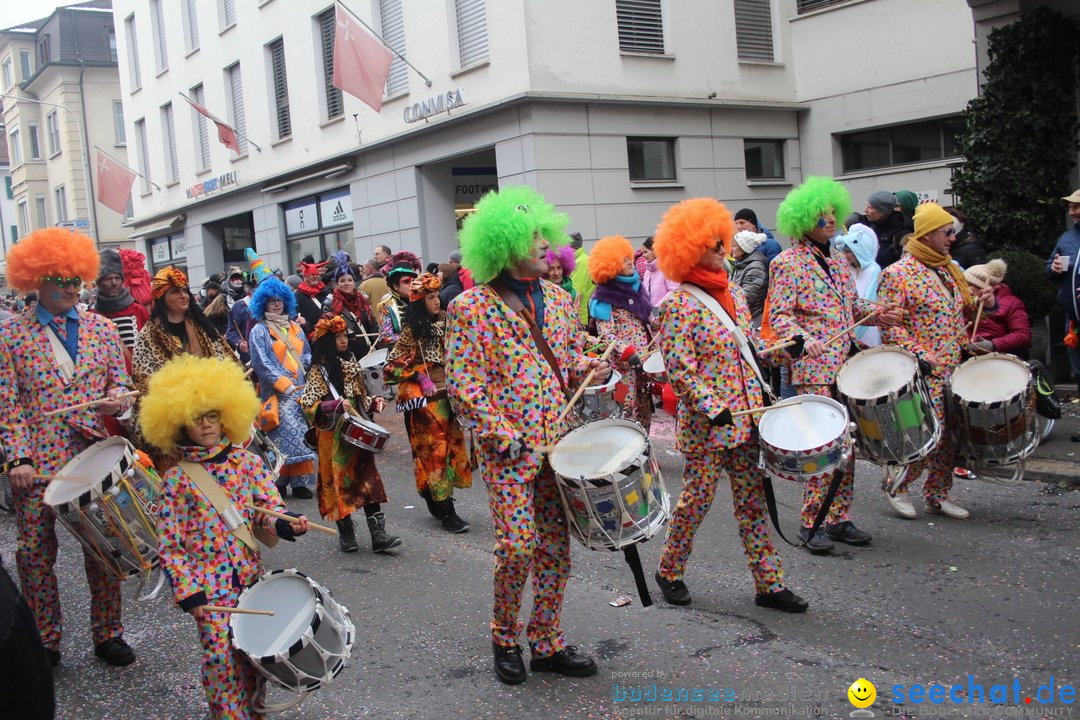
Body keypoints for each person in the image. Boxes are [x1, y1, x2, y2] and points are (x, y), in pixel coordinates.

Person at [447, 185, 604, 685]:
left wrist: (596, 364)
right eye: (532, 237)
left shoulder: (560, 298)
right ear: (505, 245)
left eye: (544, 235)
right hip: (509, 452)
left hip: (559, 445)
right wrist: (503, 435)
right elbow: (463, 385)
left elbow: (568, 357)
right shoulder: (470, 307)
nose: (544, 245)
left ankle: (547, 640)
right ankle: (504, 637)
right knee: (518, 546)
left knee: (557, 547)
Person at [651, 198, 806, 613]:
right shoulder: (676, 306)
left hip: (747, 419)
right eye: (714, 244)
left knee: (752, 502)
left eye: (723, 242)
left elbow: (752, 353)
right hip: (709, 426)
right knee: (696, 501)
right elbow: (680, 370)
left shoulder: (734, 291)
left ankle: (769, 584)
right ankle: (669, 570)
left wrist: (784, 351)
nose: (724, 249)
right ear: (687, 251)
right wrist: (710, 404)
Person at [140, 355, 309, 720]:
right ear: (178, 421)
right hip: (209, 589)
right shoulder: (177, 480)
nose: (206, 425)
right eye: (197, 417)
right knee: (220, 663)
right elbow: (169, 545)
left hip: (250, 580)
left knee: (253, 660)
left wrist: (286, 523)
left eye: (213, 415)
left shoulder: (247, 463)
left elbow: (267, 507)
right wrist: (189, 591)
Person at [0, 228, 136, 667]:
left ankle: (108, 633)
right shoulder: (10, 335)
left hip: (92, 455)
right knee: (36, 554)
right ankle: (45, 640)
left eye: (76, 280)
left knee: (104, 546)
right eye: (60, 280)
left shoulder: (101, 328)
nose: (71, 289)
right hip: (36, 462)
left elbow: (121, 380)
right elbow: (7, 403)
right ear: (36, 280)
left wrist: (119, 397)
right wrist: (16, 456)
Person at [768, 176, 900, 554]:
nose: (829, 219)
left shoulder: (839, 262)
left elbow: (851, 308)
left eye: (831, 213)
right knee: (823, 449)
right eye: (820, 214)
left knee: (847, 448)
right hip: (812, 370)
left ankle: (839, 516)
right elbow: (780, 315)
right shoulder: (787, 263)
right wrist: (802, 340)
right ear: (802, 220)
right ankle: (812, 523)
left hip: (844, 366)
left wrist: (879, 314)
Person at [876, 203, 995, 520]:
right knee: (926, 434)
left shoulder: (949, 269)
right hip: (921, 371)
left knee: (951, 436)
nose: (952, 238)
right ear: (927, 235)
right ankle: (896, 484)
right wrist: (919, 353)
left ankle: (937, 494)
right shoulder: (897, 274)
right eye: (946, 232)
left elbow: (961, 312)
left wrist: (984, 302)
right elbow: (890, 326)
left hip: (954, 367)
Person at [300, 316, 400, 553]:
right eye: (338, 337)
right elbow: (306, 404)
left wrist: (373, 403)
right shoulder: (319, 370)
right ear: (328, 341)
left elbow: (360, 395)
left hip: (356, 430)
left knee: (369, 481)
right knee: (338, 484)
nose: (344, 341)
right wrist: (332, 407)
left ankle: (379, 535)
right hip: (332, 437)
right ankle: (346, 533)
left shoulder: (352, 361)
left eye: (345, 336)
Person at [384, 273, 472, 533]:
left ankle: (431, 493)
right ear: (420, 301)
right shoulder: (412, 331)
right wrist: (420, 374)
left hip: (449, 400)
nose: (437, 301)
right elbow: (392, 367)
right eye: (431, 297)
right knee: (434, 454)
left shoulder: (448, 322)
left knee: (453, 451)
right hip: (424, 406)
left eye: (437, 296)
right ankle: (447, 511)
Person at [131, 266, 239, 470]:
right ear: (162, 298)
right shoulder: (148, 336)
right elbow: (145, 382)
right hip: (177, 423)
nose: (183, 295)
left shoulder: (201, 326)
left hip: (212, 412)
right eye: (174, 291)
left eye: (184, 290)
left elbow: (226, 360)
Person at [248, 277, 318, 499]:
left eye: (280, 301)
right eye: (271, 301)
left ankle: (300, 483)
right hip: (279, 394)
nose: (277, 305)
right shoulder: (259, 331)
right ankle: (278, 482)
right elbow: (261, 362)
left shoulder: (295, 327)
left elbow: (306, 352)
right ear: (263, 304)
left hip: (301, 389)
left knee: (304, 437)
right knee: (282, 438)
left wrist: (305, 371)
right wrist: (284, 384)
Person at [587, 235, 653, 430]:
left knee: (645, 409)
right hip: (623, 367)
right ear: (612, 266)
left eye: (628, 257)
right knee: (623, 408)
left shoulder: (638, 286)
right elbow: (606, 335)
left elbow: (648, 316)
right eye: (622, 260)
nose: (629, 262)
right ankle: (623, 454)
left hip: (644, 362)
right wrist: (627, 352)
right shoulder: (603, 297)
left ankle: (644, 452)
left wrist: (658, 321)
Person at [1046, 189, 1080, 384]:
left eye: (1076, 207)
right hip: (1074, 323)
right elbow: (1049, 268)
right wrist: (1053, 268)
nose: (1071, 212)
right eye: (1070, 207)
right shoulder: (1066, 239)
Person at [965, 259, 1031, 358]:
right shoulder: (962, 301)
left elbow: (1023, 334)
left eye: (969, 284)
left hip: (998, 358)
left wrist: (993, 345)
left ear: (981, 288)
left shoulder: (1012, 303)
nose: (964, 287)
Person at [92, 247, 150, 359]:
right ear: (99, 283)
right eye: (108, 279)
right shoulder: (92, 316)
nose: (114, 283)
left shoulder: (138, 311)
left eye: (117, 278)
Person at [833, 223, 882, 347]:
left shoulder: (873, 269)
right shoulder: (847, 269)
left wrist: (855, 331)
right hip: (848, 327)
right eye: (843, 251)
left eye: (849, 251)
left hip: (867, 327)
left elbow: (869, 300)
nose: (845, 255)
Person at [328, 253, 379, 358]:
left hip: (371, 352)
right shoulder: (330, 304)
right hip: (350, 356)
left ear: (354, 283)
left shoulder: (362, 300)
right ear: (336, 284)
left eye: (350, 280)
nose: (347, 283)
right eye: (342, 281)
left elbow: (371, 324)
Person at [861, 191, 912, 269]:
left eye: (870, 207)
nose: (865, 210)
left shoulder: (903, 233)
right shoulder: (871, 228)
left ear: (882, 212)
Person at [728, 230, 769, 325]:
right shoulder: (741, 264)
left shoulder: (755, 267)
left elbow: (745, 297)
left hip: (752, 320)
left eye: (734, 246)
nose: (731, 249)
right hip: (744, 317)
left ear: (744, 248)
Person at [376, 261, 420, 346]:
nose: (412, 284)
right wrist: (410, 338)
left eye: (413, 281)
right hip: (401, 356)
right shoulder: (388, 307)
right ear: (395, 286)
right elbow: (385, 337)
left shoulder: (422, 301)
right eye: (406, 281)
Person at [294, 258, 331, 335]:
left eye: (316, 275)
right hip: (312, 336)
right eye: (311, 275)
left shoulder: (326, 291)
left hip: (330, 332)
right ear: (305, 277)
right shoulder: (298, 295)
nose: (314, 277)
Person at [643, 236, 680, 307]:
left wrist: (657, 309)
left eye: (646, 252)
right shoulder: (647, 272)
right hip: (652, 316)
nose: (643, 255)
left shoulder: (667, 268)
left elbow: (674, 292)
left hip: (665, 314)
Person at [567, 232, 596, 324]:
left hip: (581, 314)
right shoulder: (582, 259)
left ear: (572, 247)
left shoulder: (581, 261)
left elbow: (577, 290)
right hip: (582, 312)